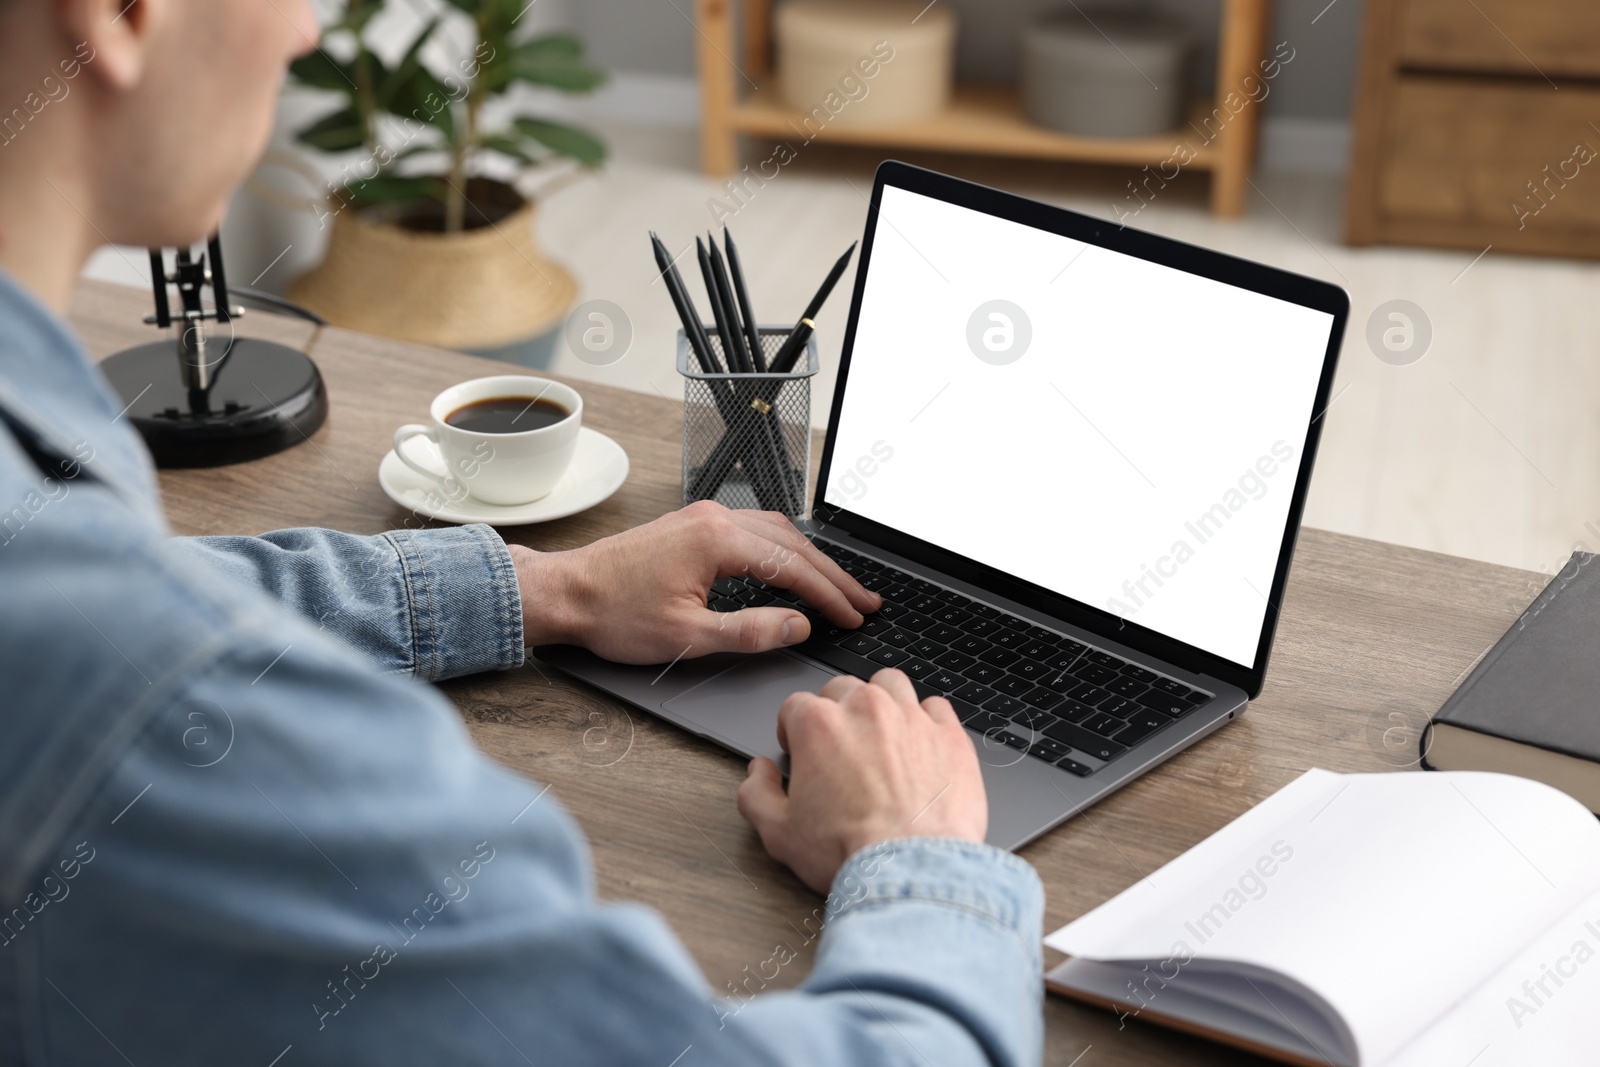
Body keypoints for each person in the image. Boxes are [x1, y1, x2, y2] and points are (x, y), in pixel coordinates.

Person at [0, 1, 1044, 1063]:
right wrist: (914, 852)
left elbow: (127, 601)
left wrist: (558, 588)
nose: (305, 33)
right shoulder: (187, 729)